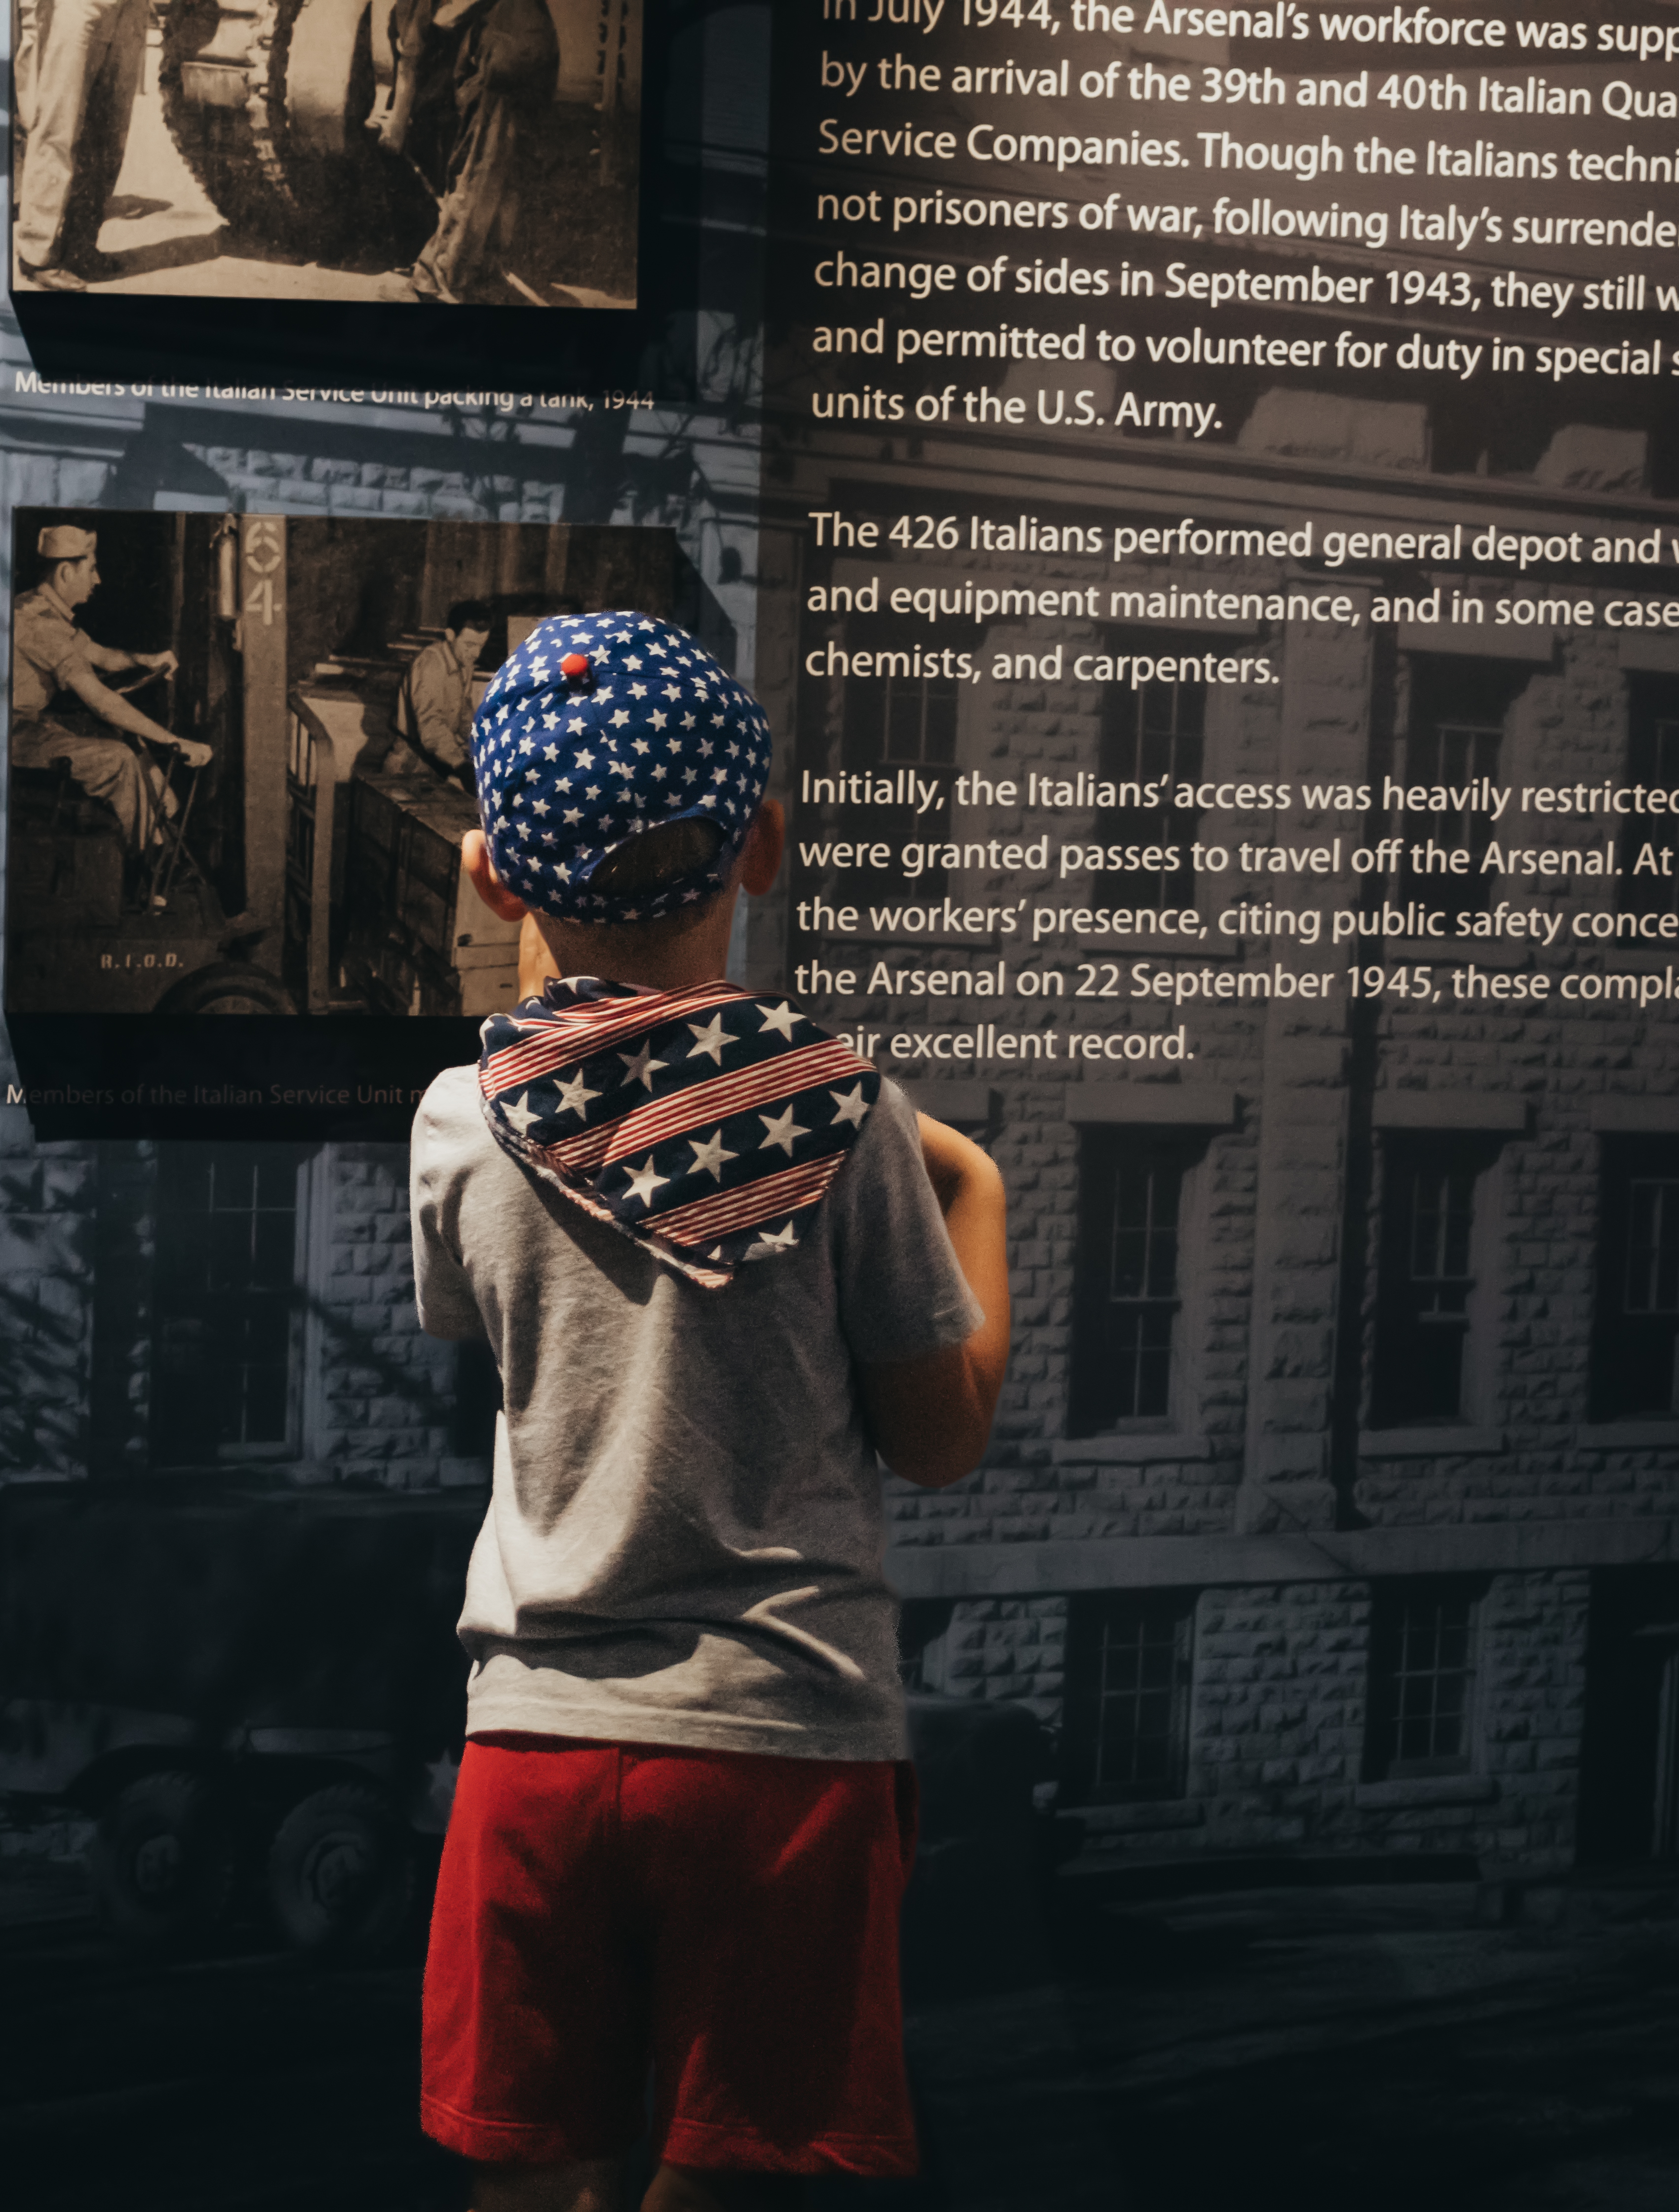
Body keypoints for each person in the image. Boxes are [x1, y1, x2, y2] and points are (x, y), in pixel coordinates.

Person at [408, 611, 1013, 2212]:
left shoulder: (461, 1122)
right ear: (763, 843)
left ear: (494, 876)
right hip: (782, 1742)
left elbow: (474, 1313)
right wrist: (981, 1188)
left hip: (538, 1736)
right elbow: (942, 1441)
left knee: (536, 2184)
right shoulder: (859, 1119)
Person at [9, 524, 207, 884]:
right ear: (67, 572)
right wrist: (175, 742)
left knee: (124, 737)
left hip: (25, 725)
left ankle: (165, 835)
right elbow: (101, 700)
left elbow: (99, 655)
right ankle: (155, 871)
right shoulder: (37, 623)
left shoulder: (43, 610)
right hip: (11, 735)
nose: (97, 580)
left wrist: (144, 660)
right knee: (117, 759)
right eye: (92, 570)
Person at [383, 0, 561, 304]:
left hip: (508, 57)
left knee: (479, 169)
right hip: (526, 50)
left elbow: (441, 23)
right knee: (497, 173)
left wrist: (397, 125)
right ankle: (478, 270)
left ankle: (440, 278)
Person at [14, 0, 157, 288]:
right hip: (77, 8)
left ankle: (82, 246)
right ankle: (37, 253)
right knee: (59, 125)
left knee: (110, 132)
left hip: (131, 10)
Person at [389, 600, 495, 786]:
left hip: (439, 758)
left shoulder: (464, 664)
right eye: (469, 645)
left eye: (481, 646)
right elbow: (431, 724)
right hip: (410, 763)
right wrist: (461, 765)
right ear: (450, 635)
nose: (476, 654)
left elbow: (464, 717)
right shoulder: (430, 664)